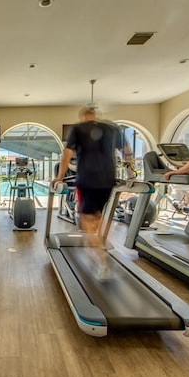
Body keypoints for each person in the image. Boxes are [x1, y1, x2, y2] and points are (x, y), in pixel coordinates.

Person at [52, 106, 135, 280]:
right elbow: (126, 151)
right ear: (95, 115)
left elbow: (67, 154)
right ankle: (99, 243)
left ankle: (101, 260)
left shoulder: (77, 128)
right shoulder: (112, 128)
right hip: (108, 181)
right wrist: (131, 175)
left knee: (87, 223)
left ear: (83, 116)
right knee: (98, 216)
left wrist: (59, 177)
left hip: (88, 180)